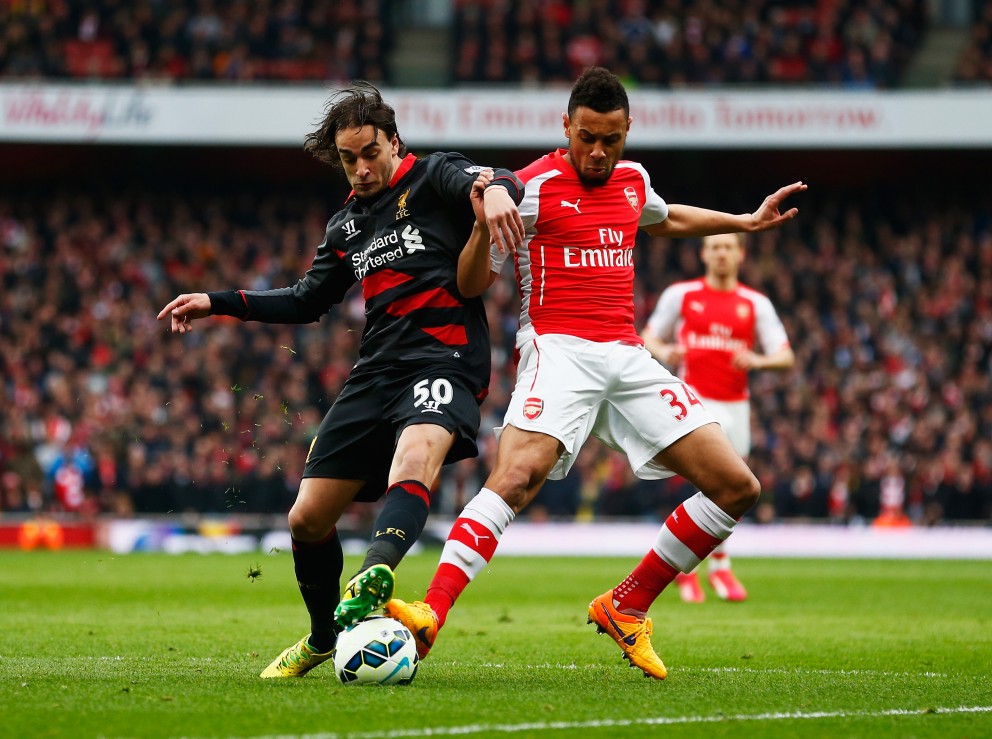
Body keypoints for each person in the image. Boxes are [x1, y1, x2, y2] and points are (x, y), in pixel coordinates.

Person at [384, 67, 806, 679]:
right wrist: (481, 225)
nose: (600, 152)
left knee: (737, 486)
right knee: (518, 476)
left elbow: (663, 217)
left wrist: (743, 222)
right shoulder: (529, 187)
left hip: (627, 356)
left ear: (628, 131)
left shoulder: (633, 181)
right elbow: (471, 282)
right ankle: (431, 611)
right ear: (567, 127)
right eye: (587, 138)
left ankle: (627, 605)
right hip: (559, 349)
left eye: (612, 139)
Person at [157, 82, 524, 678]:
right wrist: (217, 301)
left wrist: (501, 194)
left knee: (418, 450)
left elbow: (498, 177)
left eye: (369, 153)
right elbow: (306, 301)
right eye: (348, 159)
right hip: (375, 373)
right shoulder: (345, 227)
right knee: (306, 519)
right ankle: (324, 636)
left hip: (444, 361)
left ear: (392, 142)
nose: (360, 168)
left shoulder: (433, 177)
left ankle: (375, 571)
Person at [643, 232, 794, 603]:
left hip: (736, 404)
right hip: (693, 401)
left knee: (732, 489)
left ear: (741, 254)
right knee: (706, 484)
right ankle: (695, 569)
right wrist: (666, 350)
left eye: (728, 247)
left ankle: (714, 566)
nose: (722, 253)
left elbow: (785, 356)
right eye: (715, 247)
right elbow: (647, 336)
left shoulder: (754, 303)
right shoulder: (682, 295)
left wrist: (759, 360)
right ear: (704, 254)